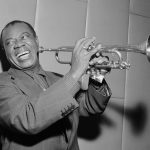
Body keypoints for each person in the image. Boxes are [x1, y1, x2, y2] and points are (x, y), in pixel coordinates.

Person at [0, 20, 111, 150]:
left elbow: (91, 107)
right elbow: (26, 120)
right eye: (9, 42)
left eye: (24, 37)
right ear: (5, 51)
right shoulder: (3, 84)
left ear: (36, 40)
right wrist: (74, 74)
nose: (18, 44)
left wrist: (97, 76)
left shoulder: (58, 79)